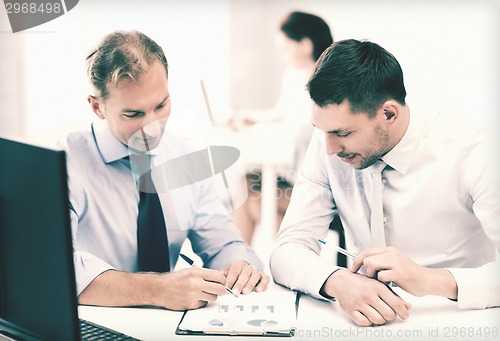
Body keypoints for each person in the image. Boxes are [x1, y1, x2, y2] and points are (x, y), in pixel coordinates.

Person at [270, 39, 499, 327]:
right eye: (322, 131)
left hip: (462, 323)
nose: (329, 148)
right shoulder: (327, 143)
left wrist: (430, 279)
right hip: (362, 327)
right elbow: (286, 249)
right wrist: (337, 280)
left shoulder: (475, 151)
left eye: (343, 133)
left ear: (389, 113)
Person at [60, 30, 269, 311]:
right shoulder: (64, 163)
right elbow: (53, 267)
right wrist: (157, 290)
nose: (152, 127)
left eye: (161, 106)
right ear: (98, 107)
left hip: (168, 326)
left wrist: (240, 265)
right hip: (97, 325)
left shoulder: (187, 157)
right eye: (133, 114)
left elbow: (222, 242)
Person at [231, 11, 334, 245]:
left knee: (254, 199)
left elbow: (301, 129)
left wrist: (260, 131)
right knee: (247, 185)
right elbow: (280, 114)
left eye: (285, 48)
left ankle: (240, 266)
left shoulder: (325, 83)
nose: (283, 56)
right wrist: (252, 118)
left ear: (305, 45)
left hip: (310, 181)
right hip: (289, 176)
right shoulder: (293, 75)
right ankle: (242, 265)